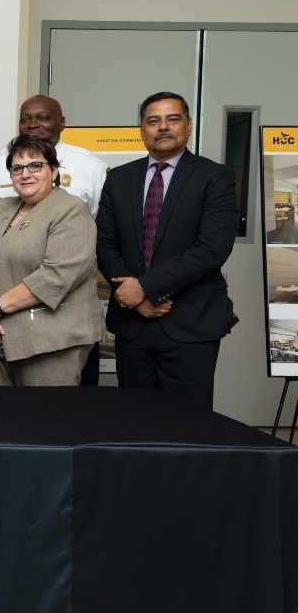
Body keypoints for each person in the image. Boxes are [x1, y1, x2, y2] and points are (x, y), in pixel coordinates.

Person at [96, 92, 237, 410]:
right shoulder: (119, 178)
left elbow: (211, 249)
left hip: (189, 321)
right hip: (132, 325)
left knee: (189, 425)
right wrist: (131, 296)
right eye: (153, 121)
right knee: (134, 420)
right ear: (141, 129)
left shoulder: (214, 178)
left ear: (188, 126)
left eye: (173, 119)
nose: (163, 127)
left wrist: (144, 288)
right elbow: (104, 243)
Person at [0, 95, 108, 385]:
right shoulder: (1, 207)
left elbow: (56, 276)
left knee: (46, 424)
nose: (26, 174)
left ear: (54, 171)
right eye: (17, 168)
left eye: (36, 166)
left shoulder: (71, 208)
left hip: (48, 337)